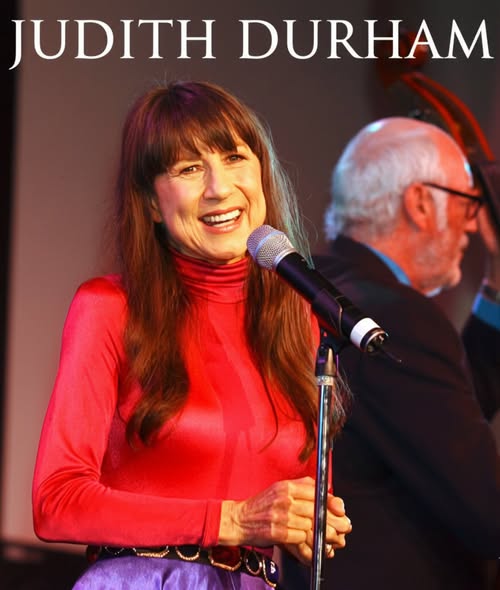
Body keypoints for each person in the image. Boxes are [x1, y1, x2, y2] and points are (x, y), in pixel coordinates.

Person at [31, 81, 352, 589]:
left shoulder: (301, 319)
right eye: (187, 169)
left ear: (262, 174)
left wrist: (312, 524)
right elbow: (57, 501)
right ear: (151, 203)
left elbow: (305, 501)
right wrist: (231, 519)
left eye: (234, 158)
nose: (218, 188)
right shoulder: (109, 307)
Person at [280, 117, 500, 590]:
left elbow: (441, 420)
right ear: (420, 203)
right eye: (467, 202)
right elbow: (487, 509)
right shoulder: (399, 319)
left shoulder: (322, 287)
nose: (472, 223)